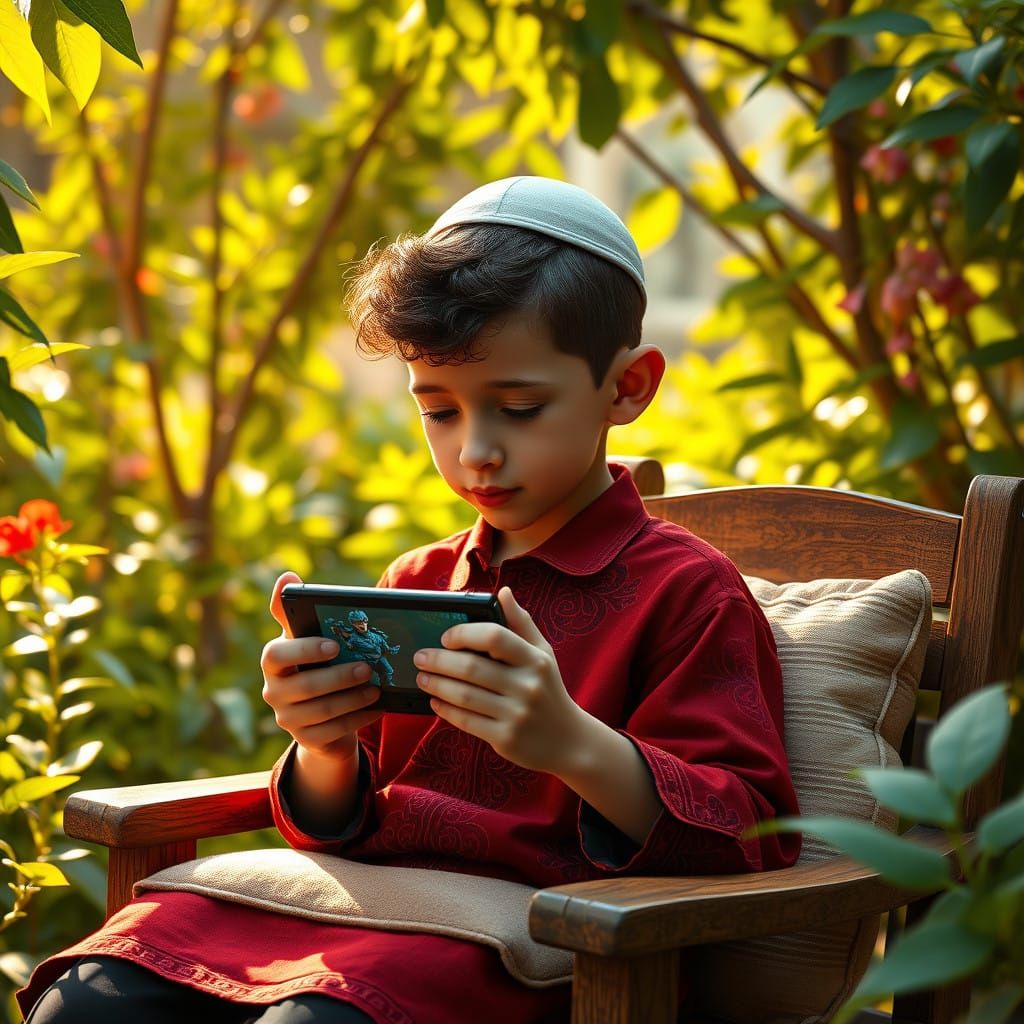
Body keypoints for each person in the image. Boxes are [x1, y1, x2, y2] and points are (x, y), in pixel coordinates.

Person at [19, 176, 800, 1023]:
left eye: (519, 407)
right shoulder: (418, 583)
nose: (477, 452)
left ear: (628, 387)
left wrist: (571, 742)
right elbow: (345, 818)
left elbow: (748, 832)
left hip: (545, 956)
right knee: (86, 1004)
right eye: (439, 411)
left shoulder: (688, 592)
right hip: (363, 916)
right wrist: (322, 747)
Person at [340, 609, 400, 686]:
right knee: (368, 676)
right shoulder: (353, 638)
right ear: (353, 624)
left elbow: (382, 643)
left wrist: (390, 650)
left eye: (364, 621)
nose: (362, 624)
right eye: (358, 622)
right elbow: (348, 649)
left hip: (379, 657)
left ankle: (387, 685)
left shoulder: (375, 635)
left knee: (389, 671)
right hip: (367, 660)